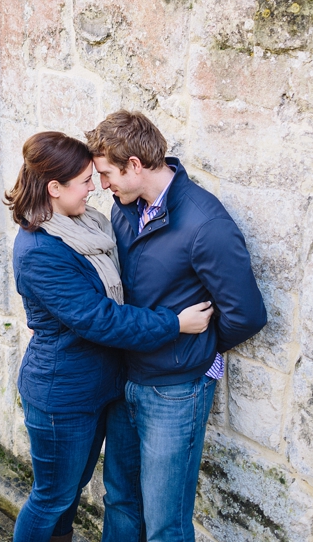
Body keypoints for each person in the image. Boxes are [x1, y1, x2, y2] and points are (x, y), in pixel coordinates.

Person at [6, 131, 215, 542]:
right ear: (54, 188)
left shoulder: (85, 225)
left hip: (100, 387)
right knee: (52, 497)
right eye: (85, 180)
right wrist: (175, 323)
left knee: (71, 492)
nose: (95, 188)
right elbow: (102, 320)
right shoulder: (40, 251)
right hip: (61, 395)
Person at [86, 110, 267, 542]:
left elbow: (247, 314)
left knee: (167, 523)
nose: (102, 185)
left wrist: (194, 352)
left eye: (107, 174)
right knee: (120, 501)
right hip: (124, 378)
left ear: (134, 166)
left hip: (174, 392)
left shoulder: (207, 225)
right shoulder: (125, 208)